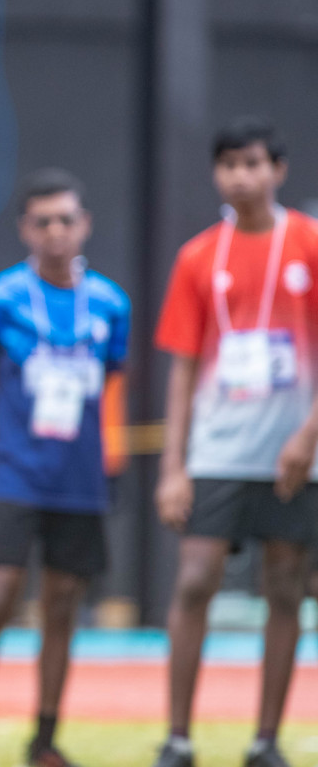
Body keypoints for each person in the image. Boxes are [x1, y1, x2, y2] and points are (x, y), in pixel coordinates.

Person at [0, 169, 131, 767]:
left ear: (85, 225)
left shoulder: (110, 303)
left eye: (66, 220)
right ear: (25, 228)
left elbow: (111, 378)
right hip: (16, 473)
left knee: (64, 606)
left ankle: (44, 739)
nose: (55, 231)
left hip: (80, 477)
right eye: (42, 221)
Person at [152, 117, 318, 767]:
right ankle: (178, 736)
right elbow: (184, 364)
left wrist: (308, 436)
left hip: (294, 452)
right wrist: (174, 466)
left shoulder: (308, 243)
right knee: (195, 580)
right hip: (219, 447)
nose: (240, 176)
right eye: (228, 165)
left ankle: (266, 740)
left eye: (252, 164)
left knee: (283, 587)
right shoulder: (199, 255)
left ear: (277, 170)